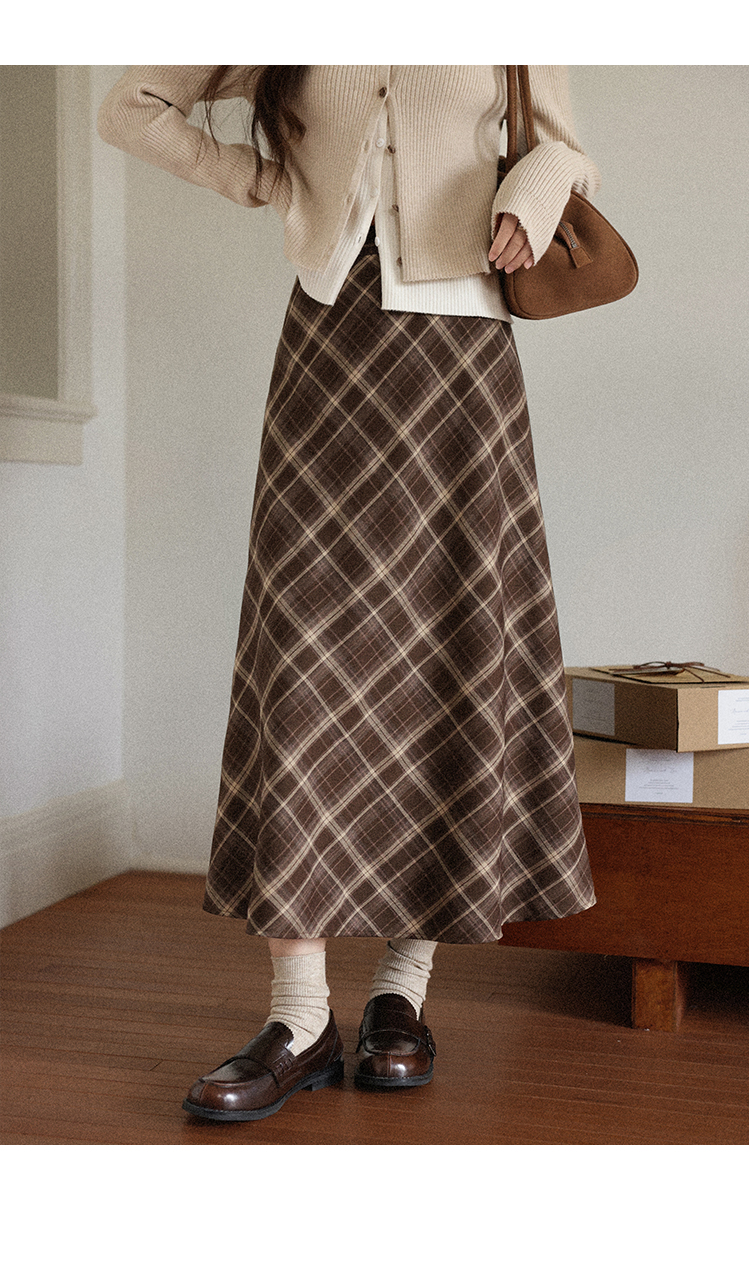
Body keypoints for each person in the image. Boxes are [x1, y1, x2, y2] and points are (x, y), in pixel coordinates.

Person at [98, 65, 599, 1123]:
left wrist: (531, 190)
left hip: (464, 357)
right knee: (307, 660)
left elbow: (563, 145)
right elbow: (130, 106)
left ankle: (400, 995)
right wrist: (266, 182)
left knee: (452, 646)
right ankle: (298, 1016)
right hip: (328, 346)